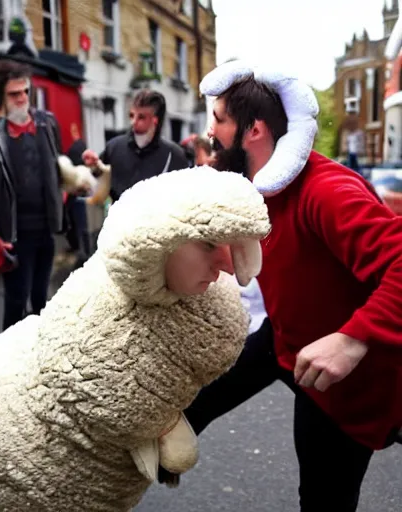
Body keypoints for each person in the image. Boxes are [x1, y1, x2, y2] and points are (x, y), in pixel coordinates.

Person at [0, 165, 270, 512]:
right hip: (34, 453)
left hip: (108, 475)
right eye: (209, 244)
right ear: (158, 244)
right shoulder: (98, 305)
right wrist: (163, 428)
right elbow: (104, 399)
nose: (225, 266)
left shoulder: (207, 309)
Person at [168, 61, 402, 511]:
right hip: (287, 339)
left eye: (218, 119)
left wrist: (353, 340)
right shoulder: (253, 186)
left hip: (341, 381)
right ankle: (150, 454)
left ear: (253, 130)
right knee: (192, 405)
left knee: (322, 500)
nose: (209, 132)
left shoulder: (326, 190)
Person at [0, 59, 66, 330]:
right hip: (14, 236)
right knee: (16, 301)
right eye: (14, 93)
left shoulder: (48, 124)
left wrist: (68, 185)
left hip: (45, 229)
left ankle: (41, 359)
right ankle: (9, 364)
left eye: (25, 92)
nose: (22, 99)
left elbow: (58, 165)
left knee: (43, 300)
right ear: (0, 97)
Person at [82, 89, 188, 202]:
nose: (133, 121)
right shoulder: (114, 147)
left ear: (155, 120)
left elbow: (184, 198)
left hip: (159, 218)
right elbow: (96, 182)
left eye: (141, 117)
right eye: (131, 115)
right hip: (120, 217)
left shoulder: (174, 154)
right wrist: (93, 165)